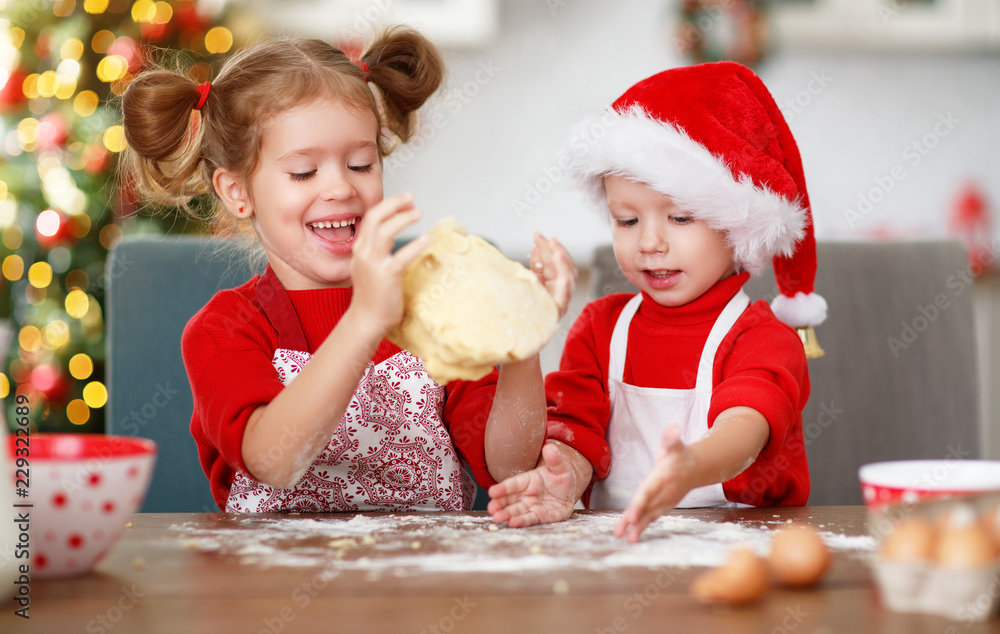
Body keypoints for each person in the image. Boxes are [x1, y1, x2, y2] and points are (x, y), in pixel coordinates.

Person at [119, 27, 575, 512]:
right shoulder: (224, 329)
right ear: (237, 192)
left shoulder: (433, 303)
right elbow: (275, 460)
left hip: (422, 579)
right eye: (303, 172)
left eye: (361, 164)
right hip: (270, 582)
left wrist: (525, 344)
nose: (340, 188)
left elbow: (507, 465)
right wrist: (366, 320)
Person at [488, 61, 827, 542]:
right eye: (627, 220)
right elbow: (578, 432)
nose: (649, 242)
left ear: (737, 228)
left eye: (681, 218)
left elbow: (746, 429)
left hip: (739, 559)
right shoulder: (600, 329)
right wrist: (563, 476)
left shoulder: (764, 338)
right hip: (622, 557)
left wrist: (691, 467)